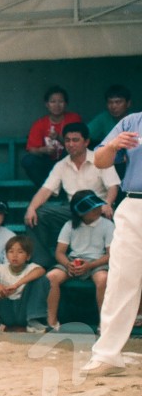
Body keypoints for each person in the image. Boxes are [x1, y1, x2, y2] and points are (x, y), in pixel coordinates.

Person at [83, 112, 142, 375]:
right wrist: (114, 144)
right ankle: (107, 355)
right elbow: (99, 160)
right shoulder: (133, 122)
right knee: (120, 279)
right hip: (134, 203)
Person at [23, 122, 118, 269]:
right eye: (67, 140)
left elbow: (113, 186)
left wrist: (108, 203)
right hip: (73, 211)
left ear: (86, 142)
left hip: (97, 210)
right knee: (36, 214)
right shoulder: (61, 165)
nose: (70, 144)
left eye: (75, 140)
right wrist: (31, 208)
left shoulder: (100, 159)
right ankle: (42, 262)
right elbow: (45, 190)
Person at [44, 191, 113, 332]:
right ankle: (51, 322)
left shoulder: (107, 225)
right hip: (74, 261)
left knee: (103, 279)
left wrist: (91, 265)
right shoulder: (69, 225)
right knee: (51, 277)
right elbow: (60, 252)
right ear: (80, 213)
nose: (97, 209)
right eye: (92, 208)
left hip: (97, 262)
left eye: (97, 206)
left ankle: (104, 323)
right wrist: (67, 264)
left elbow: (110, 254)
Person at [0, 236, 49, 333]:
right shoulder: (2, 268)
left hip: (24, 312)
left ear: (28, 256)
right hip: (5, 311)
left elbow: (41, 271)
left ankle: (35, 321)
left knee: (40, 279)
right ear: (6, 255)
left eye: (20, 252)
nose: (15, 255)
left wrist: (17, 285)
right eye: (11, 252)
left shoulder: (31, 267)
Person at [22, 86, 83, 188]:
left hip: (67, 162)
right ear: (47, 104)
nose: (57, 105)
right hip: (48, 164)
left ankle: (66, 191)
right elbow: (31, 149)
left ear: (66, 104)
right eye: (53, 102)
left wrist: (58, 138)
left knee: (71, 154)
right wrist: (43, 150)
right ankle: (48, 190)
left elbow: (80, 145)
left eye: (60, 101)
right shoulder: (40, 124)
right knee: (28, 160)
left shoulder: (73, 118)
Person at [86, 85, 132, 154]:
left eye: (118, 102)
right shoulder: (104, 118)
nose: (113, 106)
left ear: (128, 104)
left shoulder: (136, 119)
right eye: (110, 102)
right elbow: (83, 135)